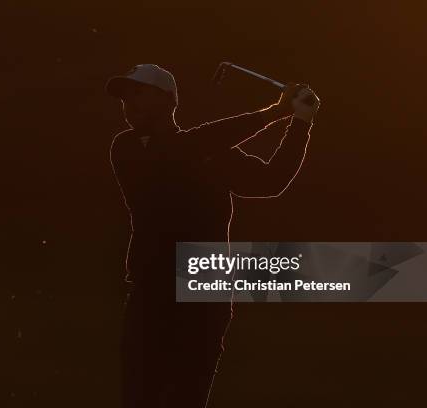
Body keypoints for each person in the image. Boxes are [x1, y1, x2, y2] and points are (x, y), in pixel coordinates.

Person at [107, 64, 319, 408]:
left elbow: (271, 181)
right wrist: (275, 113)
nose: (129, 104)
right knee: (139, 395)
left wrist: (299, 124)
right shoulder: (129, 148)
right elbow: (185, 147)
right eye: (125, 98)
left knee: (187, 395)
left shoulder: (210, 152)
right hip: (151, 287)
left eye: (139, 94)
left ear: (168, 101)